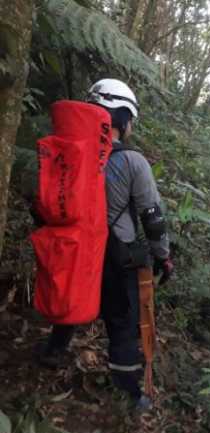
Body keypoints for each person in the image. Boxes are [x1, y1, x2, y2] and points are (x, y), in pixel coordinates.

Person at [38, 79, 173, 409]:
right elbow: (152, 216)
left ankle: (52, 352)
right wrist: (162, 256)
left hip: (74, 248)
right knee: (123, 322)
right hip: (117, 254)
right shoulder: (132, 161)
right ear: (124, 120)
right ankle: (128, 390)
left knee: (72, 298)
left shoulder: (66, 153)